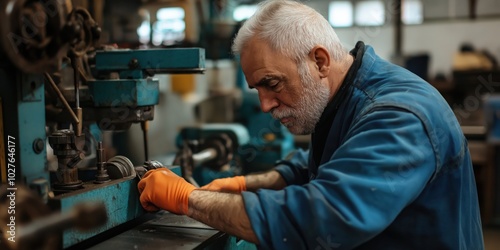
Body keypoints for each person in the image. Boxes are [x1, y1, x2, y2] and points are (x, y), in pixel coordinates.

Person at [138, 0, 484, 249]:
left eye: (272, 84)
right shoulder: (343, 99)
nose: (265, 105)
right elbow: (328, 164)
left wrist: (189, 199)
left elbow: (327, 217)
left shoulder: (398, 115)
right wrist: (247, 183)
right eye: (257, 89)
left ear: (319, 60)